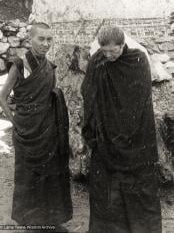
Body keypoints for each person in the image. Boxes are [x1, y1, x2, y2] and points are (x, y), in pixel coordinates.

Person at [81, 26, 162, 233]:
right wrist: (93, 129)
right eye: (104, 51)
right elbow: (87, 93)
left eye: (113, 51)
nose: (108, 55)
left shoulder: (138, 59)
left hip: (136, 138)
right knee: (107, 192)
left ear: (122, 45)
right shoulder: (97, 61)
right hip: (106, 137)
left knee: (139, 190)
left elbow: (141, 98)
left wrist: (124, 132)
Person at [0, 22, 72, 232]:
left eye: (49, 39)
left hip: (48, 129)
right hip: (27, 131)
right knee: (29, 176)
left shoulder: (50, 66)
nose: (46, 44)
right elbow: (2, 97)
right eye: (41, 39)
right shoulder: (20, 64)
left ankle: (51, 219)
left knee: (51, 173)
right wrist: (16, 123)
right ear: (30, 39)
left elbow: (50, 97)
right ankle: (32, 222)